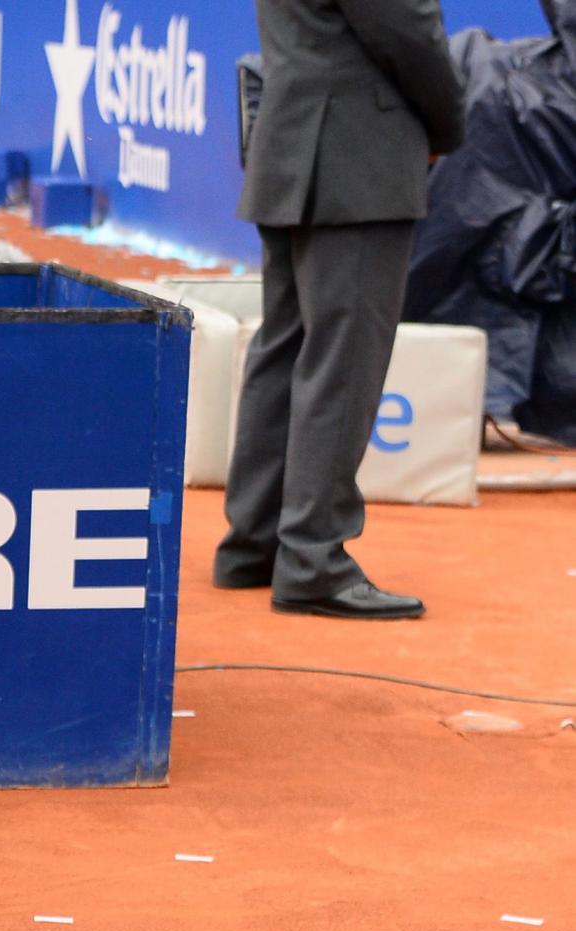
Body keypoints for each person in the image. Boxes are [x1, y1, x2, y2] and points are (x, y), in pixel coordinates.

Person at [214, 0, 467, 618]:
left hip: (292, 137)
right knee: (342, 361)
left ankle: (257, 542)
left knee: (287, 349)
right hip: (358, 155)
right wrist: (448, 127)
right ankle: (312, 559)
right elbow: (410, 33)